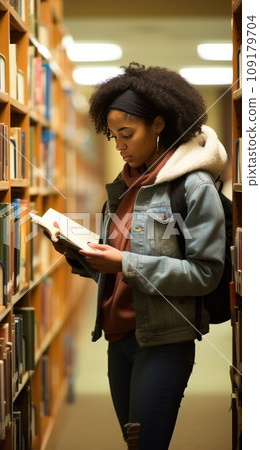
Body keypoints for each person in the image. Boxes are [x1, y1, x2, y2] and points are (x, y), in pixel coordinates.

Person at [51, 62, 227, 449]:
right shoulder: (122, 187)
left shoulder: (193, 187)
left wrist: (123, 263)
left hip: (163, 340)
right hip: (119, 338)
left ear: (159, 125)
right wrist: (81, 255)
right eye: (113, 136)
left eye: (127, 134)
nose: (120, 146)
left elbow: (205, 273)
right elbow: (114, 265)